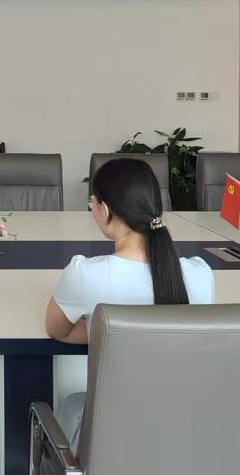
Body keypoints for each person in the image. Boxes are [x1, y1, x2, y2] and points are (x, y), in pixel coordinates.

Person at [44, 157, 214, 447]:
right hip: (186, 433)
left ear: (105, 210)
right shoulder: (200, 274)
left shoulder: (85, 275)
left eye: (92, 201)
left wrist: (104, 329)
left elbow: (56, 329)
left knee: (70, 404)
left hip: (110, 439)